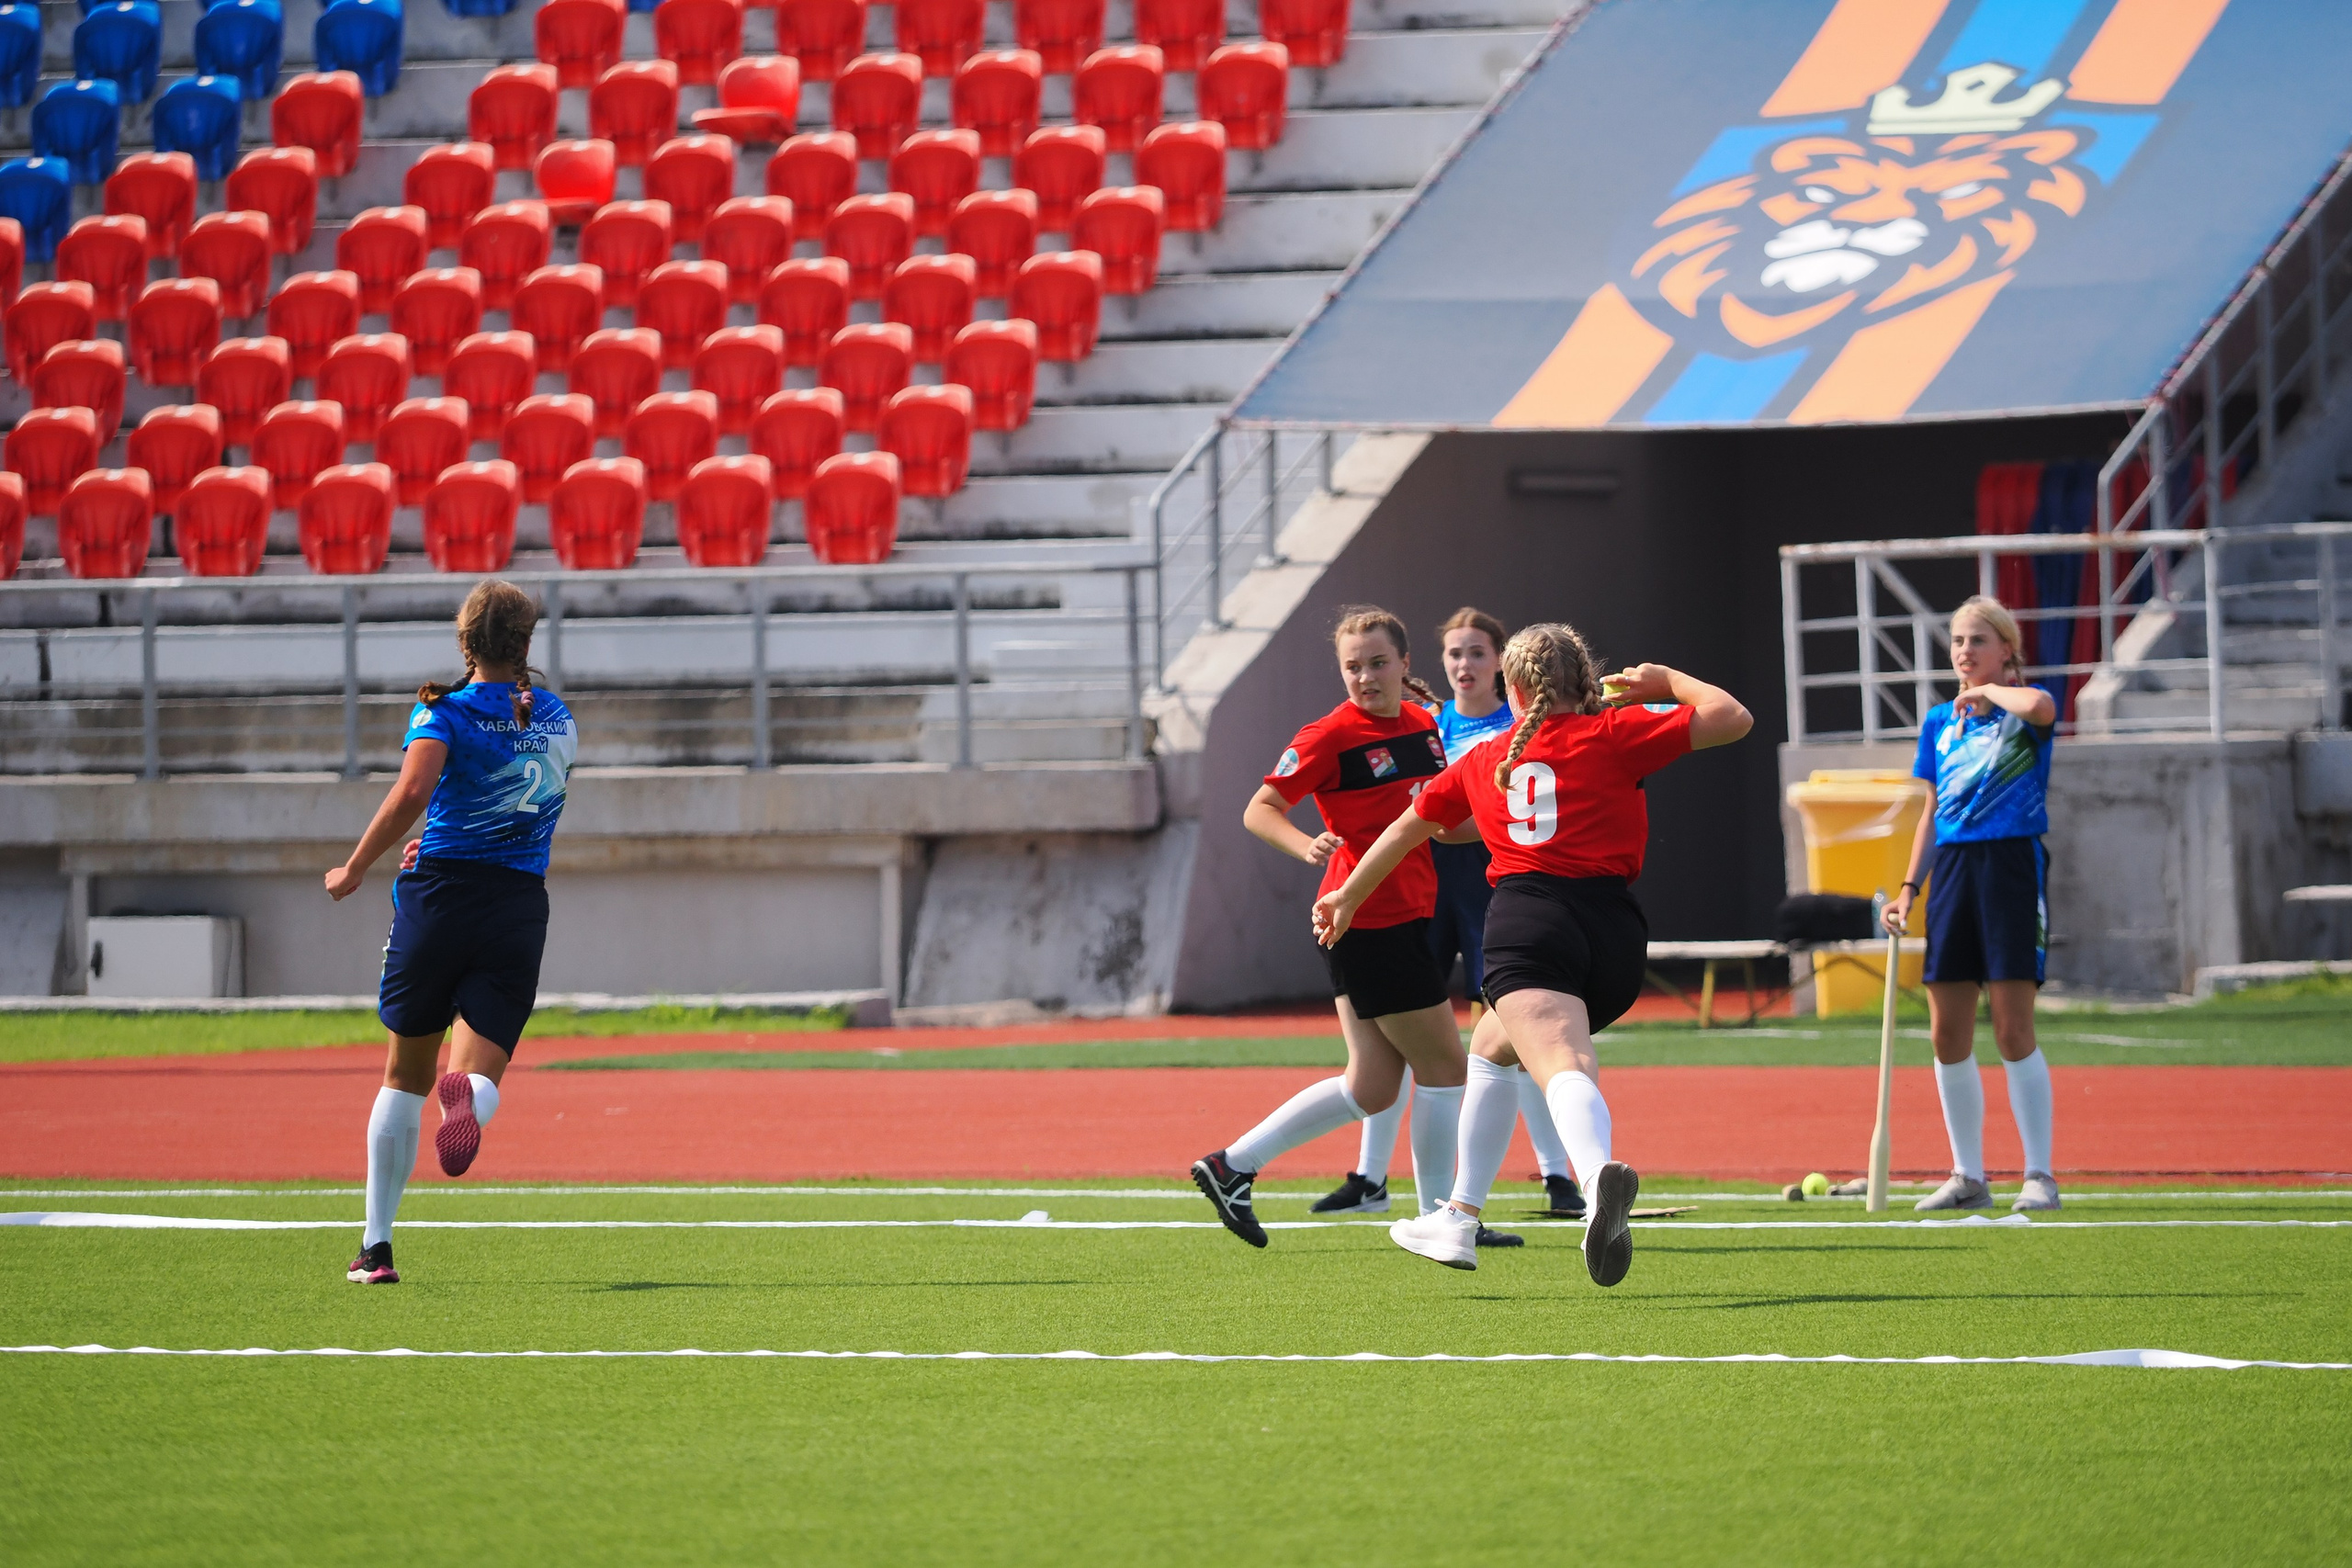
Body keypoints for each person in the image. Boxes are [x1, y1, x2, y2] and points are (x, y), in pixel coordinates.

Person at [1312, 625, 1752, 1283]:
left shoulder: (1486, 756)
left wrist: (1346, 895)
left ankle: (1597, 1173)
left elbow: (1409, 830)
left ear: (1512, 689)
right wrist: (1668, 682)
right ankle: (1458, 1216)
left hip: (1531, 922)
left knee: (1560, 1059)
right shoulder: (1616, 733)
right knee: (1491, 1049)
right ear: (1586, 680)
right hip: (1615, 930)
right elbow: (1732, 718)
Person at [1190, 607, 1479, 1248]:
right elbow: (1259, 808)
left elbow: (1439, 823)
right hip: (1367, 915)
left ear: (1406, 665)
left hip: (1397, 913)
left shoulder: (1424, 727)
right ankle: (1443, 1218)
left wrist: (1501, 819)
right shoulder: (1329, 734)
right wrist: (1305, 845)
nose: (1366, 677)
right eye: (1353, 666)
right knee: (1444, 1066)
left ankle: (1231, 1165)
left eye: (1378, 664)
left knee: (1373, 1085)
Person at [327, 581, 579, 1284]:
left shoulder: (444, 711)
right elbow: (531, 802)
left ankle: (376, 1247)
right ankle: (467, 1094)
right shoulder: (557, 717)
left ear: (464, 643)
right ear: (526, 645)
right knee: (475, 1070)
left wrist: (354, 866)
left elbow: (414, 791)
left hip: (439, 898)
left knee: (404, 1078)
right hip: (517, 905)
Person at [1313, 608, 1586, 1222]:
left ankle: (1556, 1173)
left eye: (1478, 653)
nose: (1465, 665)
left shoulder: (1520, 723)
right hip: (1424, 888)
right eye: (1455, 654)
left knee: (1509, 1034)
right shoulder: (1425, 723)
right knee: (1407, 1035)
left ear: (1502, 665)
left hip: (1490, 890)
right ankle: (1369, 1175)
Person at [1882, 595, 2061, 1213]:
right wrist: (1909, 888)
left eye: (1978, 640)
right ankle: (1969, 1175)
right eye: (1958, 641)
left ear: (2006, 649)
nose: (1964, 652)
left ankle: (2039, 1173)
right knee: (1947, 1031)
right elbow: (1931, 811)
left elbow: (2041, 704)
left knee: (2013, 1027)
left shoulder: (2021, 710)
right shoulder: (1939, 721)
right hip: (1955, 871)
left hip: (2012, 866)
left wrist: (1994, 694)